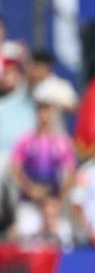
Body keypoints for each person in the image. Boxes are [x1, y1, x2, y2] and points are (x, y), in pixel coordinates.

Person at [8, 95, 76, 241]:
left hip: (52, 201)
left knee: (61, 237)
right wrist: (30, 188)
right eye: (41, 111)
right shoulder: (26, 140)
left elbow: (70, 173)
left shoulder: (61, 141)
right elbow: (15, 168)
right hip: (29, 200)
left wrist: (58, 197)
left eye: (47, 111)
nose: (44, 115)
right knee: (26, 236)